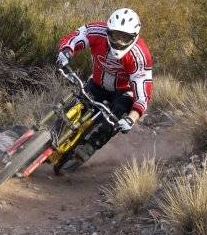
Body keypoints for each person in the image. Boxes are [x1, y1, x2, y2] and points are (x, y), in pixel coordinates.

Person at [56, 8, 153, 162]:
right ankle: (47, 140)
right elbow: (76, 36)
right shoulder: (97, 31)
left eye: (125, 38)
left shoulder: (140, 56)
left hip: (123, 92)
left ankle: (91, 146)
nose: (119, 42)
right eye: (115, 36)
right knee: (69, 111)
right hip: (96, 83)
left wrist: (131, 119)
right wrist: (66, 51)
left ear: (134, 37)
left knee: (114, 119)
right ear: (108, 31)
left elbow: (143, 94)